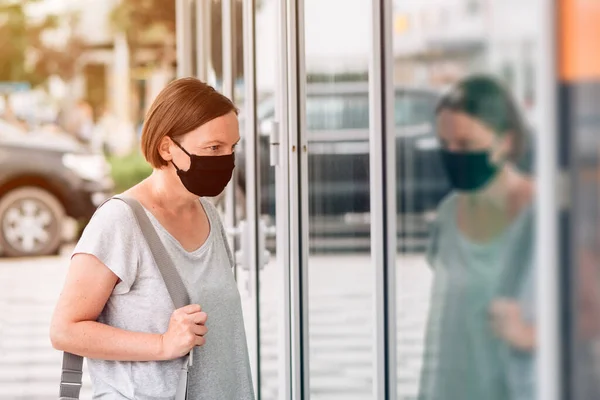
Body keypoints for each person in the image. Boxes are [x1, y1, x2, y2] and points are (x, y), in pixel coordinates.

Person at [50, 77, 255, 400]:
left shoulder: (207, 213)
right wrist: (162, 344)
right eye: (214, 148)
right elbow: (65, 329)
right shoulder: (120, 222)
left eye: (233, 147)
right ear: (167, 147)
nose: (226, 160)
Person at [418, 75, 536, 400]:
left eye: (465, 144)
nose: (453, 154)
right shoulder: (448, 214)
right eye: (445, 144)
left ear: (505, 142)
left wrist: (528, 335)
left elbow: (585, 316)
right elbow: (444, 320)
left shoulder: (540, 215)